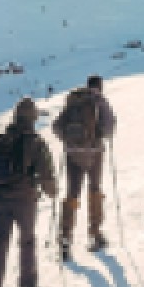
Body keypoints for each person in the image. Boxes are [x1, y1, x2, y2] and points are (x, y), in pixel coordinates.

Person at [0, 97, 58, 287]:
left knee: (0, 244)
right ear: (32, 118)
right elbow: (47, 172)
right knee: (27, 241)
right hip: (24, 200)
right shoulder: (35, 141)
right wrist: (52, 191)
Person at [51, 75, 116, 259]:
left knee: (72, 194)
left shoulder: (74, 100)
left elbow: (56, 126)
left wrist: (69, 141)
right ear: (100, 87)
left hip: (73, 155)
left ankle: (65, 238)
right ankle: (95, 234)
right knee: (94, 190)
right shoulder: (99, 101)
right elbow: (109, 129)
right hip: (94, 153)